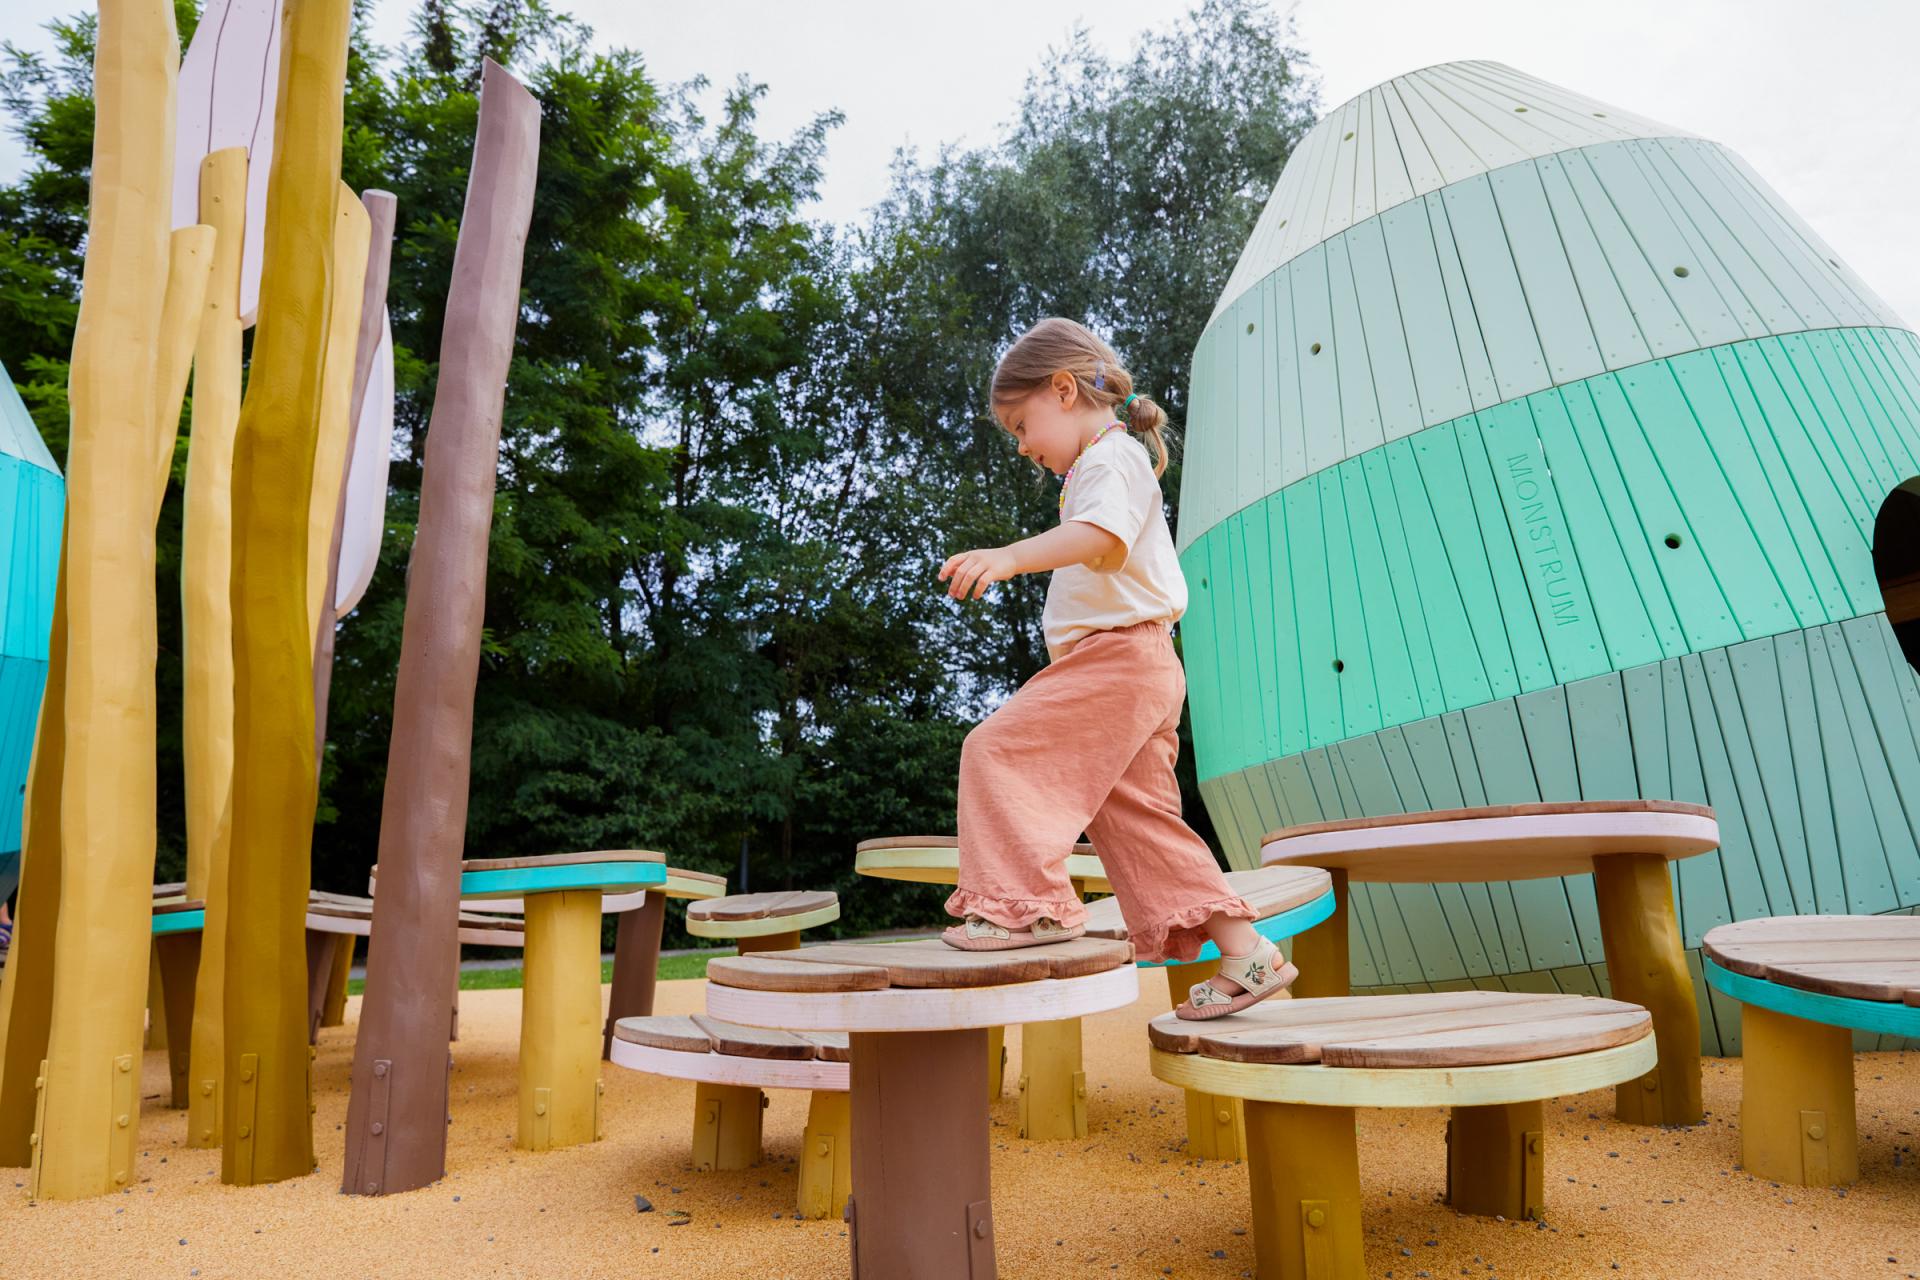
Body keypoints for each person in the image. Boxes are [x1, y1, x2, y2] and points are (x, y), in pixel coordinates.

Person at [936, 317, 1296, 1020]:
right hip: (1138, 665)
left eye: (1021, 423)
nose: (1022, 446)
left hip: (1120, 661)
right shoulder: (1106, 464)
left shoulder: (1109, 459)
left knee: (996, 750)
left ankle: (1024, 908)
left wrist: (1009, 557)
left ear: (1063, 391)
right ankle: (1248, 952)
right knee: (1139, 825)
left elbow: (1098, 540)